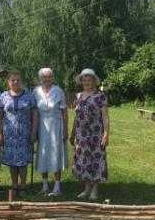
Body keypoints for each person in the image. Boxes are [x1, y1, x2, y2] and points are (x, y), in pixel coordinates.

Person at [70, 68, 110, 201]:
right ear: (81, 81)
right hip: (81, 135)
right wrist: (73, 134)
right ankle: (86, 189)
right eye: (84, 80)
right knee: (83, 160)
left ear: (94, 81)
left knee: (96, 160)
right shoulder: (78, 96)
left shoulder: (100, 96)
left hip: (96, 134)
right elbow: (77, 117)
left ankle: (95, 190)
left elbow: (105, 116)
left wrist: (106, 134)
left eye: (89, 80)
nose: (87, 82)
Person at [0, 71, 38, 196]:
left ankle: (23, 185)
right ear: (8, 82)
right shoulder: (3, 96)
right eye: (12, 80)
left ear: (21, 82)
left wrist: (33, 132)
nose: (15, 82)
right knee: (12, 161)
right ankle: (14, 185)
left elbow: (35, 116)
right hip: (9, 134)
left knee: (23, 161)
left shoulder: (29, 96)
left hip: (24, 134)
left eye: (18, 80)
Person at [33, 68, 68, 196]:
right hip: (41, 125)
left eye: (49, 77)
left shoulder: (58, 91)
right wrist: (34, 130)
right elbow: (34, 111)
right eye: (44, 77)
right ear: (40, 78)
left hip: (56, 125)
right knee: (43, 153)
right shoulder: (35, 91)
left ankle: (57, 186)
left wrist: (65, 129)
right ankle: (45, 185)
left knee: (56, 153)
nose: (47, 79)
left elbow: (64, 112)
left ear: (52, 78)